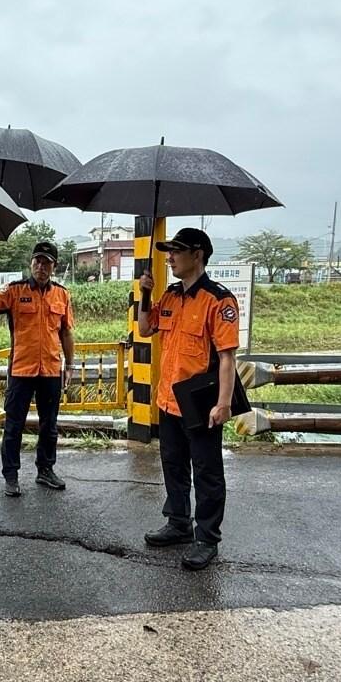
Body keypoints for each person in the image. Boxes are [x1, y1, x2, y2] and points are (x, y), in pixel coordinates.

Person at [136, 227, 239, 571]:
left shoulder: (218, 300)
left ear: (198, 254)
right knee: (174, 466)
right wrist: (145, 295)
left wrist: (223, 403)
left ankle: (206, 538)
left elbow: (226, 357)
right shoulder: (170, 295)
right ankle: (178, 523)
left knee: (207, 472)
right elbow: (145, 329)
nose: (170, 257)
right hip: (168, 399)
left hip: (200, 402)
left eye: (177, 251)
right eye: (169, 252)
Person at [0, 240, 75, 496]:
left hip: (51, 370)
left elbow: (66, 333)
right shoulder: (15, 290)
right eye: (37, 261)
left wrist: (70, 364)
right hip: (21, 369)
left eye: (46, 262)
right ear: (31, 263)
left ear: (54, 266)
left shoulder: (62, 294)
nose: (40, 267)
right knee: (14, 425)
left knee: (49, 425)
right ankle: (11, 475)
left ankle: (45, 470)